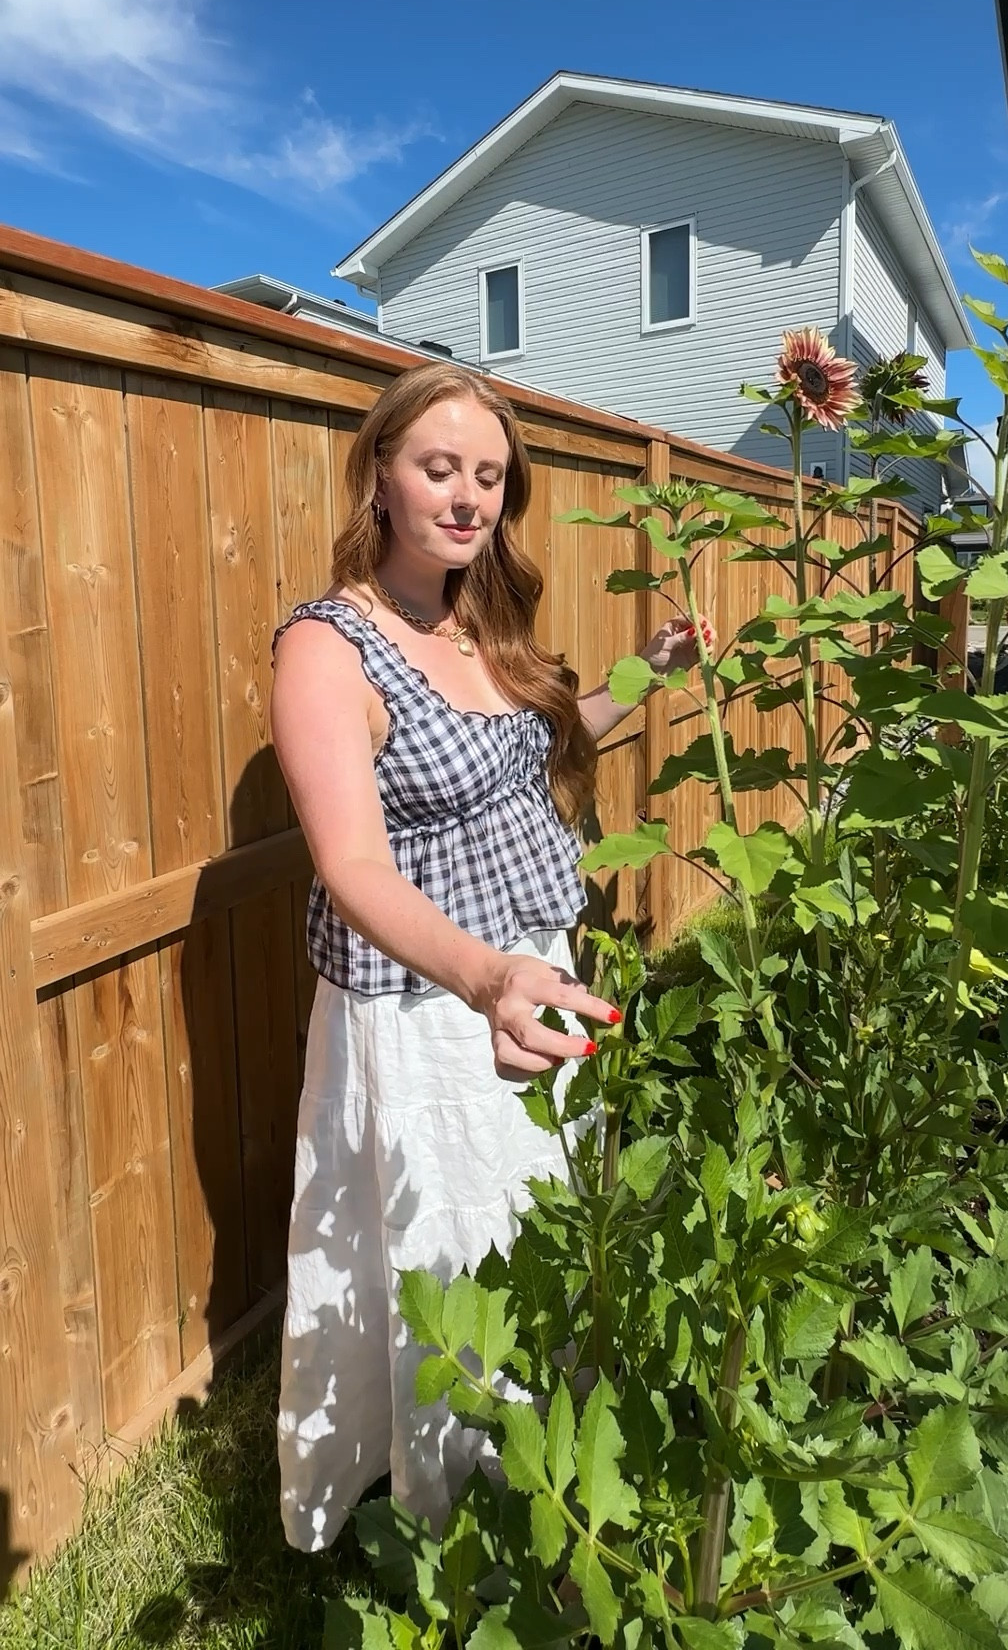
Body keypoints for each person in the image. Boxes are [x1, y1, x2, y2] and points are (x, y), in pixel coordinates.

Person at [270, 363, 702, 1550]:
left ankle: (543, 1476)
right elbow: (353, 869)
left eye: (491, 477)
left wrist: (651, 673)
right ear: (383, 473)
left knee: (533, 1226)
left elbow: (537, 745)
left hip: (529, 973)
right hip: (427, 1002)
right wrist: (487, 976)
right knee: (440, 1256)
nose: (467, 498)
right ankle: (445, 1524)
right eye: (441, 468)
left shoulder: (476, 621)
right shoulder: (328, 649)